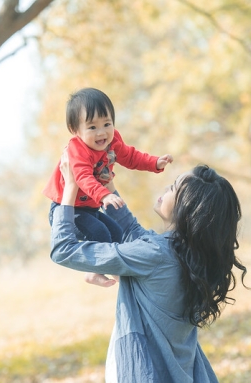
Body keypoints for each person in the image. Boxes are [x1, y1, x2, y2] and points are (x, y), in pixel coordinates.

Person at [50, 150, 247, 382]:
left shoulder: (155, 253)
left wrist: (70, 190)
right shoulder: (186, 256)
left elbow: (63, 249)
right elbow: (133, 232)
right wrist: (109, 186)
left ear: (188, 208)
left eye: (174, 187)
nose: (166, 188)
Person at [43, 87, 173, 287]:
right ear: (75, 130)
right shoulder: (77, 150)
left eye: (107, 123)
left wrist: (154, 163)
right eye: (92, 127)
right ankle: (92, 272)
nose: (102, 132)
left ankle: (116, 272)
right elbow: (83, 178)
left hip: (91, 208)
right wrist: (104, 196)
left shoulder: (112, 141)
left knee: (116, 232)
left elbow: (130, 156)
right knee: (100, 233)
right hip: (69, 210)